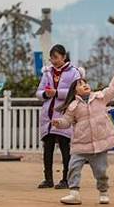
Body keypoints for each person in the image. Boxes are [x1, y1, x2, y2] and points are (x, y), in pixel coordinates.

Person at [52, 64, 114, 205]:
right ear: (75, 92)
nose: (84, 85)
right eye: (80, 84)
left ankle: (103, 192)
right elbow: (67, 121)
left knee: (101, 171)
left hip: (100, 145)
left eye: (85, 83)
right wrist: (59, 123)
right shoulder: (73, 106)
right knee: (73, 167)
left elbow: (113, 88)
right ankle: (74, 193)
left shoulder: (101, 97)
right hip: (80, 144)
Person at [36, 45, 82, 189]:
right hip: (48, 116)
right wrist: (45, 94)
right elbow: (39, 92)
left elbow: (76, 91)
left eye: (56, 57)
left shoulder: (74, 72)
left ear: (63, 57)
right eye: (52, 57)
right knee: (47, 148)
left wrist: (56, 92)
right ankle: (48, 178)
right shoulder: (47, 72)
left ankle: (66, 179)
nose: (53, 60)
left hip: (65, 115)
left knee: (65, 148)